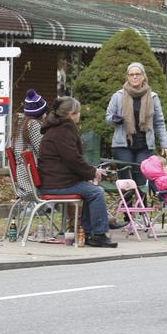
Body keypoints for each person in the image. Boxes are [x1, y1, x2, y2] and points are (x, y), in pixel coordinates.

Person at [38, 97, 118, 248]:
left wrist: (91, 172)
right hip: (57, 184)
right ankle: (98, 234)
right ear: (71, 114)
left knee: (91, 191)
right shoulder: (63, 130)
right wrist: (92, 173)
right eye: (78, 112)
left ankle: (87, 232)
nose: (80, 115)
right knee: (96, 192)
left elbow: (70, 160)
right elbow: (73, 159)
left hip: (53, 180)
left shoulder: (56, 128)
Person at [105, 62, 167, 188]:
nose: (134, 77)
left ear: (143, 77)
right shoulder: (118, 96)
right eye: (131, 74)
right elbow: (108, 118)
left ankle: (141, 206)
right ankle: (127, 206)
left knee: (142, 178)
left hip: (145, 145)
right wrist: (114, 119)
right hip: (123, 145)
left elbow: (159, 123)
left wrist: (164, 144)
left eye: (137, 74)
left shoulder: (153, 97)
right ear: (127, 77)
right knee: (127, 180)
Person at [12, 89, 48, 195]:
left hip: (23, 174)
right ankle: (49, 207)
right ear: (40, 113)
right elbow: (43, 151)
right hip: (31, 177)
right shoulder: (33, 125)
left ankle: (45, 208)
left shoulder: (21, 125)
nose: (46, 114)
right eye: (45, 111)